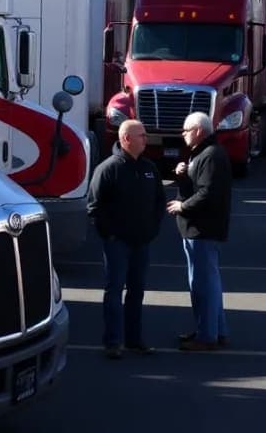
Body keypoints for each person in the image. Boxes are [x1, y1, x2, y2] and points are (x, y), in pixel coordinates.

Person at [86, 119, 166, 359]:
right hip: (117, 243)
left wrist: (152, 229)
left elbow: (159, 202)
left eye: (145, 134)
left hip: (142, 242)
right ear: (126, 139)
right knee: (114, 291)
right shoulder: (108, 169)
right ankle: (113, 341)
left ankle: (134, 339)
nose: (146, 138)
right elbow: (94, 207)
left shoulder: (149, 168)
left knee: (137, 290)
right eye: (141, 134)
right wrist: (109, 234)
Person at [167, 112, 233, 351]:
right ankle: (216, 330)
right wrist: (182, 175)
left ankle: (207, 336)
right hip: (200, 229)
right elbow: (197, 186)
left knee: (203, 284)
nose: (183, 135)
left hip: (203, 229)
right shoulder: (202, 153)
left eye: (185, 130)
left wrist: (182, 206)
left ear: (197, 130)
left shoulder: (211, 155)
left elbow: (208, 193)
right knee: (209, 283)